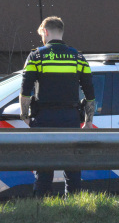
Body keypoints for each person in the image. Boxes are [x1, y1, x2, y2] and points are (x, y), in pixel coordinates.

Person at [19, 16, 96, 197]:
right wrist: (89, 121)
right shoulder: (78, 57)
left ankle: (43, 210)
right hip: (70, 118)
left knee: (44, 170)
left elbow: (25, 91)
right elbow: (90, 93)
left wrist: (25, 116)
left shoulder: (36, 56)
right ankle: (74, 209)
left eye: (42, 35)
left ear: (45, 31)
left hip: (44, 119)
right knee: (73, 170)